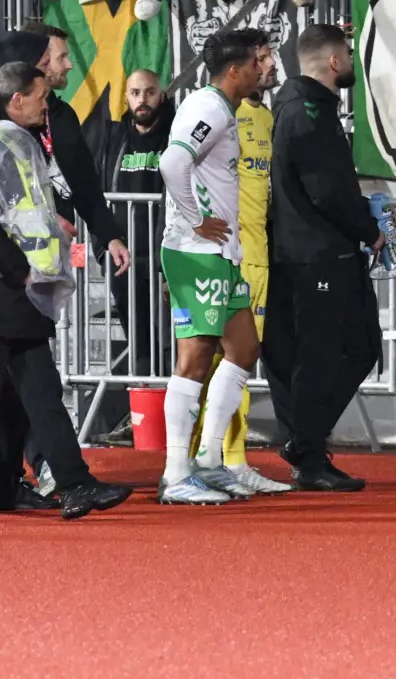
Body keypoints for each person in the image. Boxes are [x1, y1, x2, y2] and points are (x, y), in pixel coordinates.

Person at [0, 59, 134, 522]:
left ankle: (74, 484)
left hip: (13, 296)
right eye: (41, 97)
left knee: (39, 393)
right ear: (16, 100)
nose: (47, 105)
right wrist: (18, 270)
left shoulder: (9, 140)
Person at [155, 25, 283, 503]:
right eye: (256, 62)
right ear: (235, 70)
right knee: (193, 359)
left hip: (220, 254)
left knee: (244, 349)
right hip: (196, 253)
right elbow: (172, 162)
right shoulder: (208, 108)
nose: (262, 68)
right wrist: (195, 219)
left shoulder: (221, 108)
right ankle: (175, 473)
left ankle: (210, 462)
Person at [260, 23, 384, 491]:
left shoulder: (300, 108)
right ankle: (305, 447)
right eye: (347, 54)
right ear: (333, 62)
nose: (351, 61)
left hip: (307, 251)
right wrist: (369, 230)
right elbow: (325, 189)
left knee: (319, 355)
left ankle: (306, 448)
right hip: (317, 255)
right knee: (341, 351)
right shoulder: (307, 112)